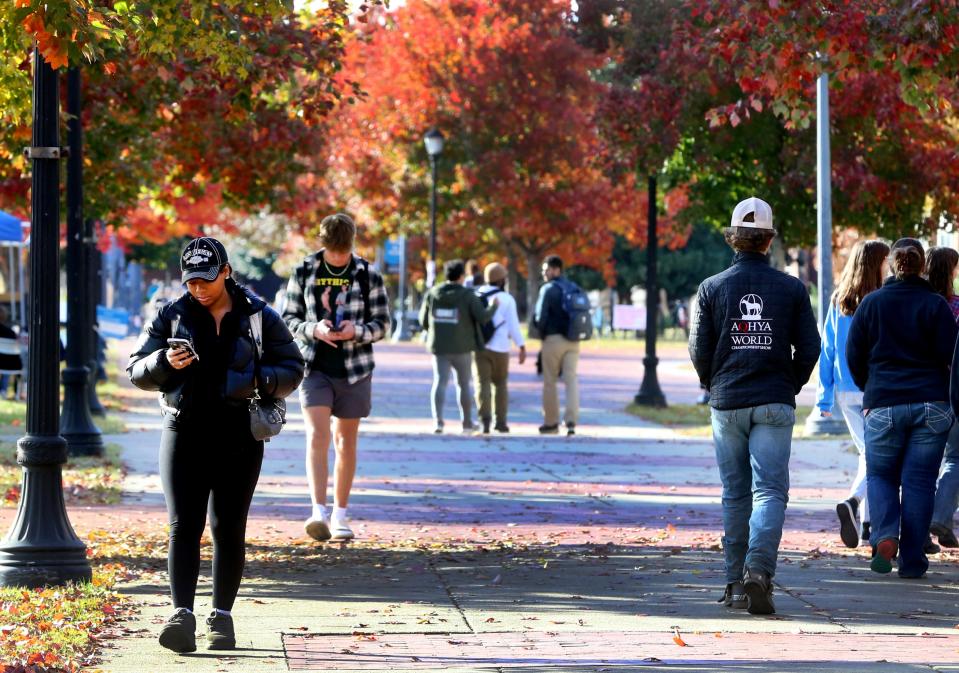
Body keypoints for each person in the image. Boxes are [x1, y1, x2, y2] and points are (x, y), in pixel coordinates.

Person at [128, 237, 304, 653]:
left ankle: (221, 618)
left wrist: (261, 379)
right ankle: (181, 615)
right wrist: (162, 364)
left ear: (226, 272)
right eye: (191, 282)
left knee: (228, 529)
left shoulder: (259, 316)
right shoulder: (172, 315)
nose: (198, 289)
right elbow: (137, 370)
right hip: (183, 433)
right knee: (182, 526)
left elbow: (293, 367)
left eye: (206, 280)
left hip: (238, 435)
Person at [688, 197, 819, 615]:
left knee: (735, 494)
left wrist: (713, 383)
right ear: (768, 241)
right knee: (771, 490)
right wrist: (790, 383)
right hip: (774, 400)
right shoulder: (792, 288)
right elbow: (811, 347)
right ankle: (759, 571)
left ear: (734, 238)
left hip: (728, 401)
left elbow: (698, 348)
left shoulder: (712, 287)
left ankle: (734, 584)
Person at [847, 238, 958, 578]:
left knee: (880, 475)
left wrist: (872, 391)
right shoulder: (936, 306)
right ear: (922, 266)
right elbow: (952, 356)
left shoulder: (871, 303)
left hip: (883, 402)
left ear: (893, 265)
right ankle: (912, 559)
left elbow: (854, 356)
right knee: (920, 483)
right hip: (931, 404)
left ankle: (883, 536)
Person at [282, 213, 391, 543]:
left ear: (352, 244)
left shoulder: (368, 274)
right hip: (314, 366)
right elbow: (287, 317)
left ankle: (341, 514)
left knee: (345, 441)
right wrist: (312, 328)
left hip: (355, 370)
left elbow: (384, 323)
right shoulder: (304, 271)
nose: (338, 257)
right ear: (323, 243)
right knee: (317, 436)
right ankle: (318, 511)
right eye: (333, 251)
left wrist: (355, 331)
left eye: (343, 252)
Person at [816, 240, 889, 549]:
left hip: (847, 390)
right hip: (875, 387)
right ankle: (854, 502)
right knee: (876, 457)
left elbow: (828, 348)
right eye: (885, 261)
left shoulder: (839, 300)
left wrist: (825, 395)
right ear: (876, 264)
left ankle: (869, 525)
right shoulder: (881, 299)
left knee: (869, 454)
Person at [419, 259, 497, 434]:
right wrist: (493, 307)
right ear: (462, 276)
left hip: (439, 347)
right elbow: (482, 317)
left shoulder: (433, 293)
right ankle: (467, 423)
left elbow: (423, 320)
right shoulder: (467, 295)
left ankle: (438, 422)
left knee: (439, 382)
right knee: (463, 385)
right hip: (462, 347)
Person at [926, 246, 959, 548]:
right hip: (953, 392)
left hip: (920, 391)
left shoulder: (918, 302)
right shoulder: (956, 307)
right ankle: (941, 515)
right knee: (955, 458)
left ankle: (917, 531)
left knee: (919, 467)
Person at [473, 262, 526, 434]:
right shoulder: (507, 299)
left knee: (482, 384)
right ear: (502, 280)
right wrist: (521, 346)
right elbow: (513, 325)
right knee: (501, 385)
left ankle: (484, 419)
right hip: (501, 347)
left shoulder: (476, 295)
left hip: (480, 347)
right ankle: (501, 421)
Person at [533, 255, 581, 436]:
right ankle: (571, 421)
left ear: (555, 270)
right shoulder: (574, 287)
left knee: (550, 382)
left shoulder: (548, 289)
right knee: (571, 380)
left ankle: (551, 422)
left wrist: (541, 333)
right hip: (573, 341)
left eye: (546, 269)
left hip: (553, 340)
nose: (544, 273)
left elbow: (540, 317)